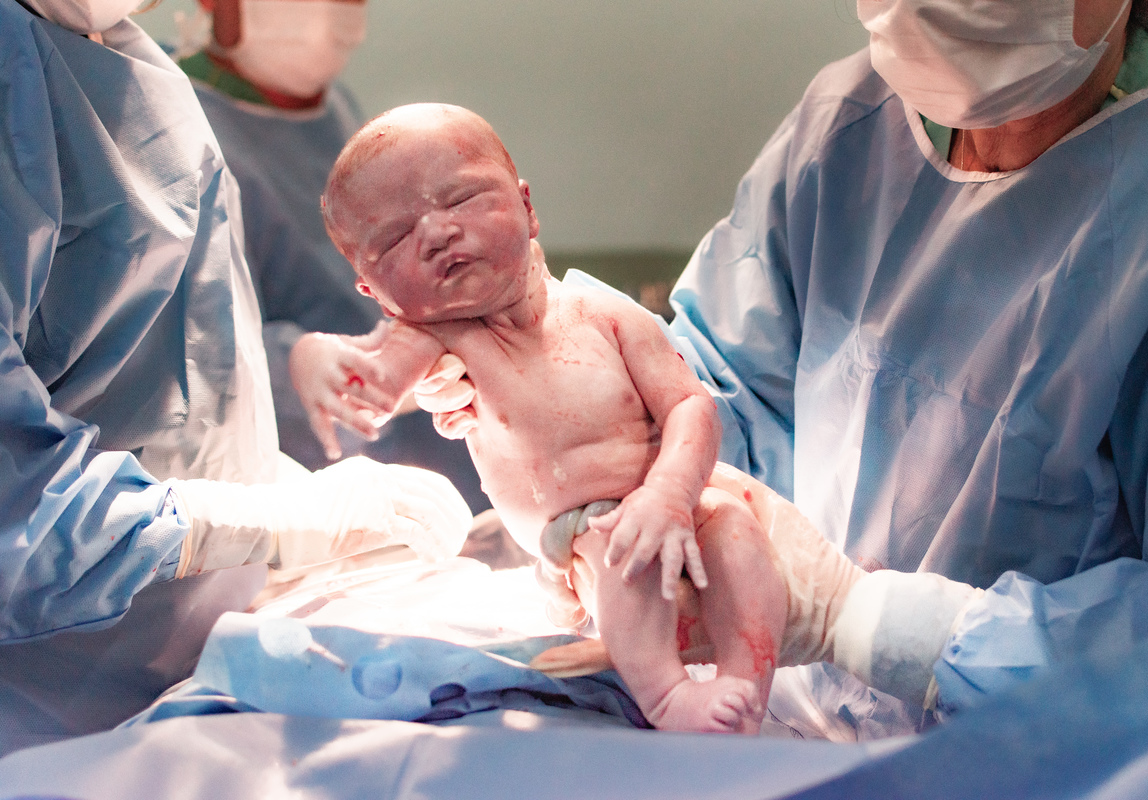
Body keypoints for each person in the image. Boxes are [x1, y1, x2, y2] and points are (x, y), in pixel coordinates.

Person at [393, 0, 1148, 739]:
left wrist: (877, 625)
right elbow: (720, 392)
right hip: (768, 721)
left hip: (1040, 758)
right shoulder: (850, 126)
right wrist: (567, 401)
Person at [0, 0, 472, 756]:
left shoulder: (125, 63)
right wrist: (265, 522)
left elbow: (180, 371)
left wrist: (276, 497)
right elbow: (14, 514)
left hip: (191, 653)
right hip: (49, 697)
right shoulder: (17, 83)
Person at [307, 103, 793, 733]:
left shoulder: (604, 316)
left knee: (737, 532)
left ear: (528, 207)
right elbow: (373, 377)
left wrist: (671, 495)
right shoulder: (443, 338)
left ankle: (747, 683)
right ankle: (668, 696)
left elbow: (688, 404)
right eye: (395, 238)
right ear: (374, 292)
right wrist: (319, 360)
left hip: (675, 499)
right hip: (585, 531)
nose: (436, 233)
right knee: (623, 555)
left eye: (461, 198)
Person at [171, 0, 488, 512]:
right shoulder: (176, 124)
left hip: (424, 442)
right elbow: (186, 344)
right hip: (295, 471)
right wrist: (293, 370)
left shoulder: (334, 108)